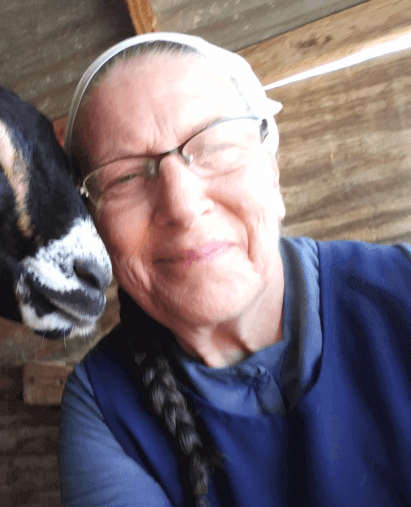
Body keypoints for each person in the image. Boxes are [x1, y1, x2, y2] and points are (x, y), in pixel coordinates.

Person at [57, 32, 411, 507]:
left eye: (214, 146)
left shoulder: (401, 290)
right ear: (96, 229)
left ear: (273, 175)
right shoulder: (103, 406)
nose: (182, 206)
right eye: (125, 176)